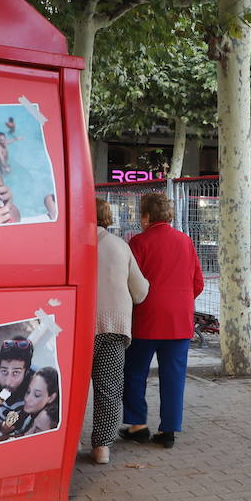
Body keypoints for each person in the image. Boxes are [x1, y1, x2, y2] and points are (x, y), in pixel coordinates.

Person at [120, 193, 204, 450]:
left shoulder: (138, 242)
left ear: (146, 216)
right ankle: (168, 430)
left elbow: (130, 281)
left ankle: (137, 425)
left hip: (146, 318)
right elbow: (198, 283)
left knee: (135, 372)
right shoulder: (186, 242)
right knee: (174, 376)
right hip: (180, 320)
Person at [90, 198, 149, 464]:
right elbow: (140, 292)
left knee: (71, 389)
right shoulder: (120, 246)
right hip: (115, 327)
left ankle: (62, 442)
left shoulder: (73, 244)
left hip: (81, 328)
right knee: (109, 388)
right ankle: (102, 447)